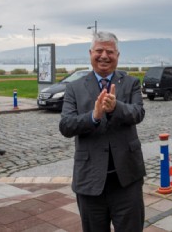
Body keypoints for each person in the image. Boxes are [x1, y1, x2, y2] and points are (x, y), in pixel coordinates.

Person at [59, 31, 146, 232]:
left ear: (118, 56)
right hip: (90, 181)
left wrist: (116, 107)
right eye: (99, 50)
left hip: (127, 180)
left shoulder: (131, 82)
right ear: (91, 53)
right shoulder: (74, 87)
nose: (104, 56)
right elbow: (66, 126)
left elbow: (138, 113)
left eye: (110, 51)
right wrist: (94, 117)